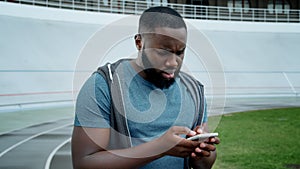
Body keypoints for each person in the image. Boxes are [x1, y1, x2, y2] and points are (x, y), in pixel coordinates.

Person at [71, 6, 220, 169]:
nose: (173, 62)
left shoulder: (194, 91)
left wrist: (203, 153)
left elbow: (203, 165)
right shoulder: (103, 85)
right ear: (139, 42)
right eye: (163, 52)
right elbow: (84, 163)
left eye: (180, 53)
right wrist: (159, 148)